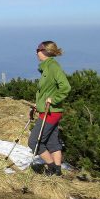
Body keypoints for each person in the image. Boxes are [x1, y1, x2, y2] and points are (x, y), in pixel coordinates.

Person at [28, 41, 71, 176]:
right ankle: (57, 172)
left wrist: (53, 100)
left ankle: (51, 168)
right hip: (49, 111)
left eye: (38, 49)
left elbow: (65, 87)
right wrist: (38, 104)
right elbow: (48, 90)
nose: (36, 52)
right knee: (52, 142)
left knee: (34, 142)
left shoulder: (52, 67)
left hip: (51, 112)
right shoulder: (47, 67)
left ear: (45, 51)